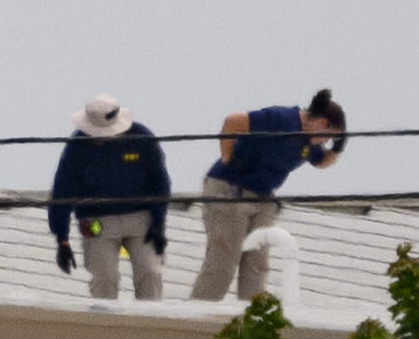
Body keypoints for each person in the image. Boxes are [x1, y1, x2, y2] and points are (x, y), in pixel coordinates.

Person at [190, 90, 346, 300]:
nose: (325, 142)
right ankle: (200, 315)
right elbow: (232, 121)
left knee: (257, 264)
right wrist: (228, 157)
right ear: (320, 122)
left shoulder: (309, 142)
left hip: (262, 198)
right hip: (231, 188)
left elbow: (321, 162)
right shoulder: (281, 119)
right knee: (224, 260)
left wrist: (338, 148)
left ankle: (252, 320)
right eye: (329, 135)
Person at [47, 95, 171, 302]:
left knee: (150, 273)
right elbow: (62, 192)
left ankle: (150, 325)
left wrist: (158, 222)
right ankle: (105, 327)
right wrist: (62, 239)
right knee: (104, 278)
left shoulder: (141, 137)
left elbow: (160, 182)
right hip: (95, 221)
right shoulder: (77, 146)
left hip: (141, 218)